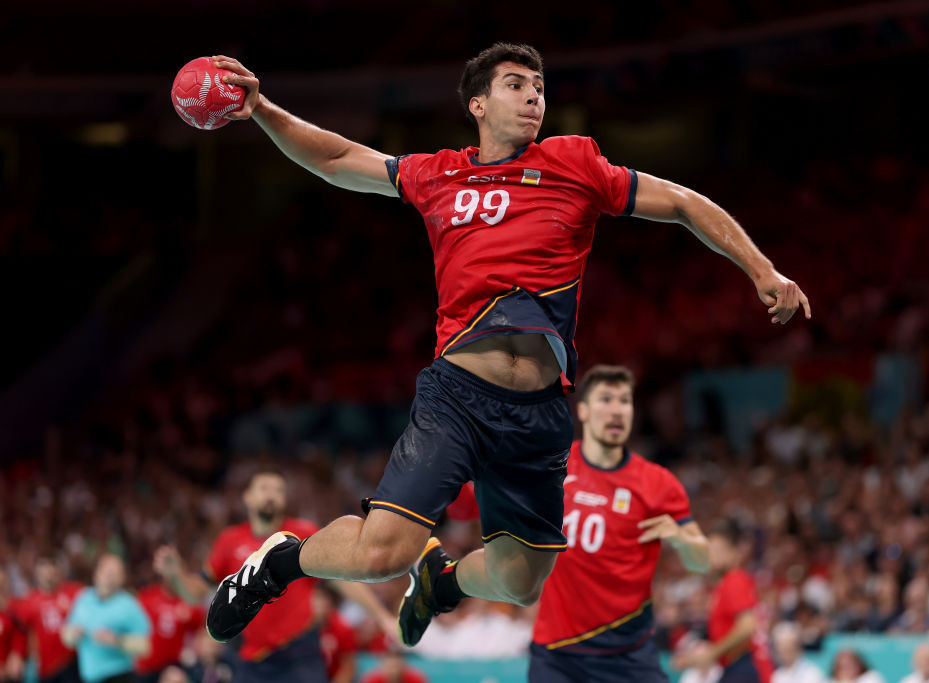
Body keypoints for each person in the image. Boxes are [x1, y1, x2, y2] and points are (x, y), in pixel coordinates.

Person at [204, 42, 812, 648]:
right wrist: (263, 110)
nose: (533, 97)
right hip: (459, 399)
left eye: (540, 87)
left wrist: (762, 269)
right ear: (478, 102)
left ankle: (443, 583)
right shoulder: (437, 174)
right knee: (381, 555)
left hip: (539, 410)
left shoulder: (575, 165)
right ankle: (281, 562)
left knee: (520, 581)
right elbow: (336, 157)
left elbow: (681, 202)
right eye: (517, 85)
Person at [528, 364, 710, 681]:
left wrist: (680, 538)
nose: (617, 410)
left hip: (629, 655)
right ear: (582, 411)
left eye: (625, 401)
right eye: (606, 399)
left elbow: (701, 562)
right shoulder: (551, 466)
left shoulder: (658, 483)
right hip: (558, 652)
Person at [154, 468, 393, 683]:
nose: (271, 495)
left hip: (299, 653)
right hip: (250, 658)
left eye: (278, 490)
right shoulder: (229, 540)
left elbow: (340, 581)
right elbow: (196, 592)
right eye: (264, 488)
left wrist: (382, 617)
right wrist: (176, 575)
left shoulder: (302, 532)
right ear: (247, 496)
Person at [675, 520, 773, 683]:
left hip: (744, 667)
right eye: (710, 550)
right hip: (736, 667)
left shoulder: (735, 580)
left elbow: (748, 625)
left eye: (719, 550)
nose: (712, 556)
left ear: (735, 553)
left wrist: (712, 653)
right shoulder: (725, 584)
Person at [60, 555, 151, 683]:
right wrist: (73, 634)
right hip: (88, 675)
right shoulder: (83, 598)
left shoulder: (129, 604)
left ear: (122, 579)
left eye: (115, 573)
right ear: (96, 574)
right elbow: (66, 635)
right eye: (107, 572)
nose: (110, 577)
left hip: (119, 675)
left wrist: (117, 641)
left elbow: (145, 646)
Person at [10, 557, 83, 683]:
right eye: (44, 574)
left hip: (72, 662)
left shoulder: (74, 592)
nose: (48, 577)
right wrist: (18, 653)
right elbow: (17, 628)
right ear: (37, 575)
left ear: (59, 573)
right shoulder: (30, 601)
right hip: (47, 668)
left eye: (52, 573)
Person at [133, 577, 205, 682]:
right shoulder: (148, 596)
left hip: (174, 663)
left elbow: (202, 627)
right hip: (148, 665)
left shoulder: (188, 601)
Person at [313, 583, 358, 683]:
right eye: (317, 597)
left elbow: (348, 667)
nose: (319, 603)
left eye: (324, 598)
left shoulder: (343, 628)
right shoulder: (298, 627)